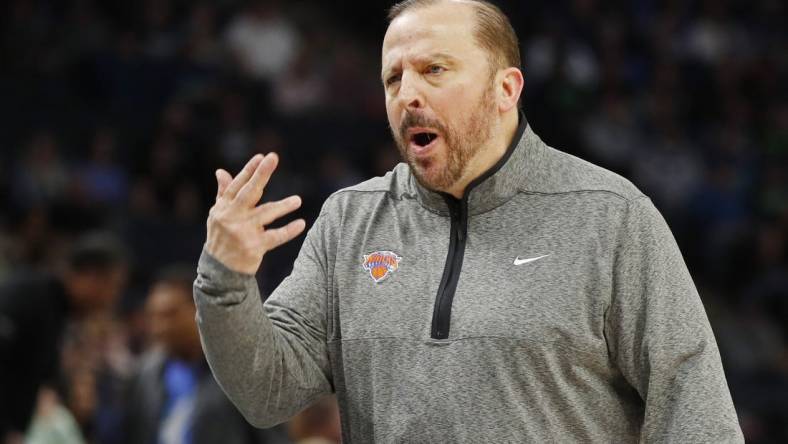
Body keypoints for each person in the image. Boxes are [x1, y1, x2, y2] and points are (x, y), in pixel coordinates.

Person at [193, 0, 745, 442]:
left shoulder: (610, 216)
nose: (408, 95)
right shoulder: (349, 221)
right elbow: (266, 392)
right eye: (393, 79)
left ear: (506, 89)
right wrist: (225, 278)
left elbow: (695, 414)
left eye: (435, 70)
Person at [120, 266, 289, 444]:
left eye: (170, 315)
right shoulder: (143, 376)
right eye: (153, 317)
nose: (158, 327)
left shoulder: (244, 371)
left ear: (201, 309)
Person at [0, 232, 127, 443]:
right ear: (90, 276)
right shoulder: (26, 298)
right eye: (112, 287)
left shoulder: (57, 313)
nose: (112, 299)